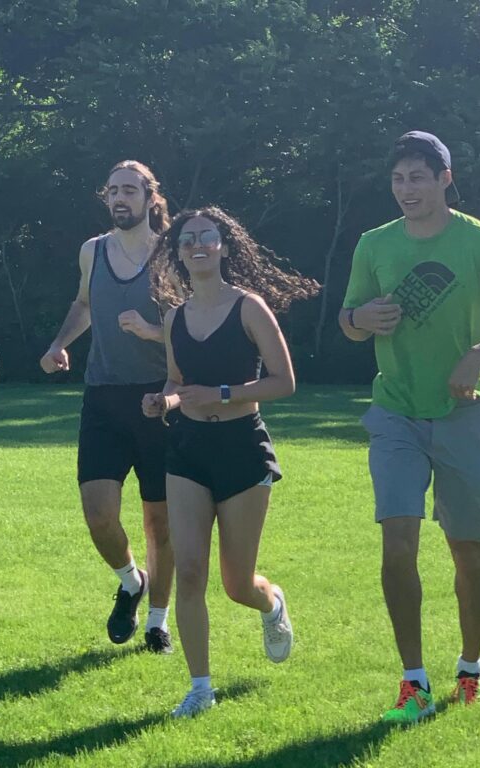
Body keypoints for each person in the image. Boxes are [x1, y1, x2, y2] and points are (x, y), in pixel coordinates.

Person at [339, 131, 480, 724]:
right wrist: (361, 317)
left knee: (467, 552)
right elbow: (348, 321)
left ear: (445, 179)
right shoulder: (374, 244)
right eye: (398, 179)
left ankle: (470, 668)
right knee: (397, 543)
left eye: (418, 177)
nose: (406, 189)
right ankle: (413, 681)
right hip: (394, 413)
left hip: (465, 416)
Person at [142, 206, 320, 718]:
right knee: (190, 569)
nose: (197, 245)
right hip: (187, 451)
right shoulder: (174, 317)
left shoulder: (249, 307)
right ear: (177, 252)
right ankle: (200, 688)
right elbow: (176, 382)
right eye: (188, 239)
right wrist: (164, 402)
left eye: (207, 237)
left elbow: (283, 383)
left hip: (242, 448)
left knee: (236, 584)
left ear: (224, 246)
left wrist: (221, 393)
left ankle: (272, 603)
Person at [39, 160, 175, 653]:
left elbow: (193, 327)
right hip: (103, 395)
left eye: (129, 191)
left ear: (148, 197)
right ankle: (130, 581)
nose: (120, 199)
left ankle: (159, 621)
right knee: (99, 515)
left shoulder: (170, 253)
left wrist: (152, 332)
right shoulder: (92, 251)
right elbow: (84, 305)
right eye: (112, 191)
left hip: (160, 397)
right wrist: (60, 344)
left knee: (160, 521)